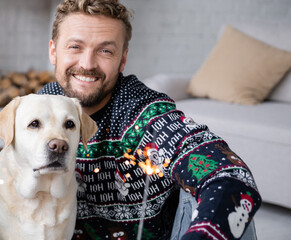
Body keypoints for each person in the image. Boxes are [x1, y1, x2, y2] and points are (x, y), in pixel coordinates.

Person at [38, 0, 261, 239]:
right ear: (53, 51)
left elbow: (230, 175)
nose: (87, 64)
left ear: (122, 60)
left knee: (233, 214)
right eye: (75, 47)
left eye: (105, 51)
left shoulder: (145, 113)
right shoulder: (39, 107)